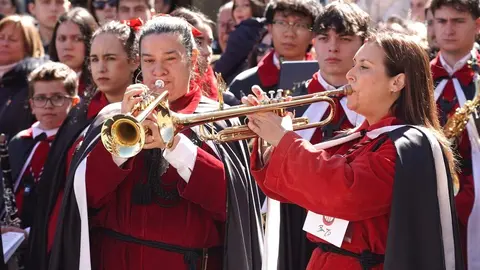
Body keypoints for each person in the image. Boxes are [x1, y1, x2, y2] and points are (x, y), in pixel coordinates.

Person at [43, 16, 263, 270]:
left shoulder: (216, 118)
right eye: (149, 61)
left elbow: (231, 205)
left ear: (191, 60)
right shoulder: (112, 116)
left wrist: (175, 145)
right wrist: (117, 143)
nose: (158, 71)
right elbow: (84, 198)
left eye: (170, 59)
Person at [245, 31, 464, 269]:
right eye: (354, 65)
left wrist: (284, 138)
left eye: (364, 67)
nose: (349, 75)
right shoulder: (360, 137)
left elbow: (344, 192)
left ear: (396, 82)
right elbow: (289, 189)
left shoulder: (407, 146)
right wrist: (268, 138)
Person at [26, 20, 139, 270]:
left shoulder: (150, 115)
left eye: (110, 58)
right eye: (95, 59)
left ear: (134, 61)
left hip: (121, 246)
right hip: (72, 237)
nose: (101, 67)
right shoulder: (80, 114)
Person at [265, 2, 368, 269]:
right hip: (295, 221)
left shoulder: (374, 104)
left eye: (345, 39)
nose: (333, 47)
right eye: (324, 38)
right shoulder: (291, 100)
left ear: (364, 44)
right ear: (314, 41)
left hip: (356, 231)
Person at [429, 0, 480, 268]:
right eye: (441, 21)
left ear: (477, 25)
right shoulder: (416, 75)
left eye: (458, 21)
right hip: (430, 188)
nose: (449, 29)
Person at [7, 62, 79, 229]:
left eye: (57, 98)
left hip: (50, 236)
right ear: (32, 105)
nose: (48, 105)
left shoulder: (76, 144)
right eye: (40, 98)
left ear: (75, 103)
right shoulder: (19, 142)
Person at [227, 0, 322, 103]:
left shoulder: (326, 79)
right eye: (281, 23)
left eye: (300, 25)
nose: (289, 33)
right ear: (269, 28)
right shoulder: (243, 83)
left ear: (313, 34)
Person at [0, 15, 47, 141]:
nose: (4, 43)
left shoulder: (33, 81)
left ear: (28, 46)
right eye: (1, 38)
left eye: (12, 39)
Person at [49, 7, 98, 97]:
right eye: (62, 38)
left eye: (77, 39)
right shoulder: (41, 83)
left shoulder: (101, 87)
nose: (68, 46)